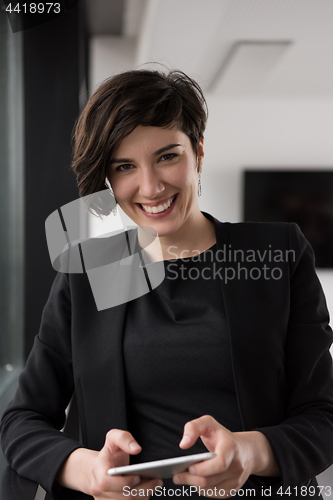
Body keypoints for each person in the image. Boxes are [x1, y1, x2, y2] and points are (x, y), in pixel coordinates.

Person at [1, 69, 333, 500]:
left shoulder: (278, 252)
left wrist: (250, 453)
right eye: (124, 167)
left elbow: (322, 415)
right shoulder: (88, 270)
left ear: (197, 151)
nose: (151, 186)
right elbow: (21, 420)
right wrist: (86, 470)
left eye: (167, 156)